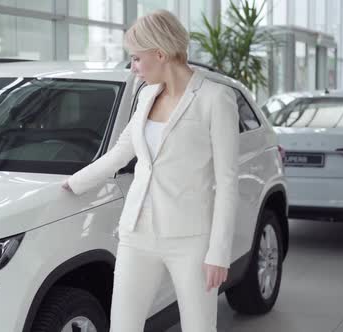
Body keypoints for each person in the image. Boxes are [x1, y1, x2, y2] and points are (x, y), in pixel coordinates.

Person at [61, 9, 239, 332]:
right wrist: (72, 184)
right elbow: (119, 154)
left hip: (190, 239)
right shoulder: (145, 96)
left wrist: (219, 253)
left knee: (199, 328)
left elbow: (228, 183)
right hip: (136, 233)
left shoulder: (216, 99)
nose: (134, 68)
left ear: (160, 53)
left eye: (137, 59)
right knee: (123, 327)